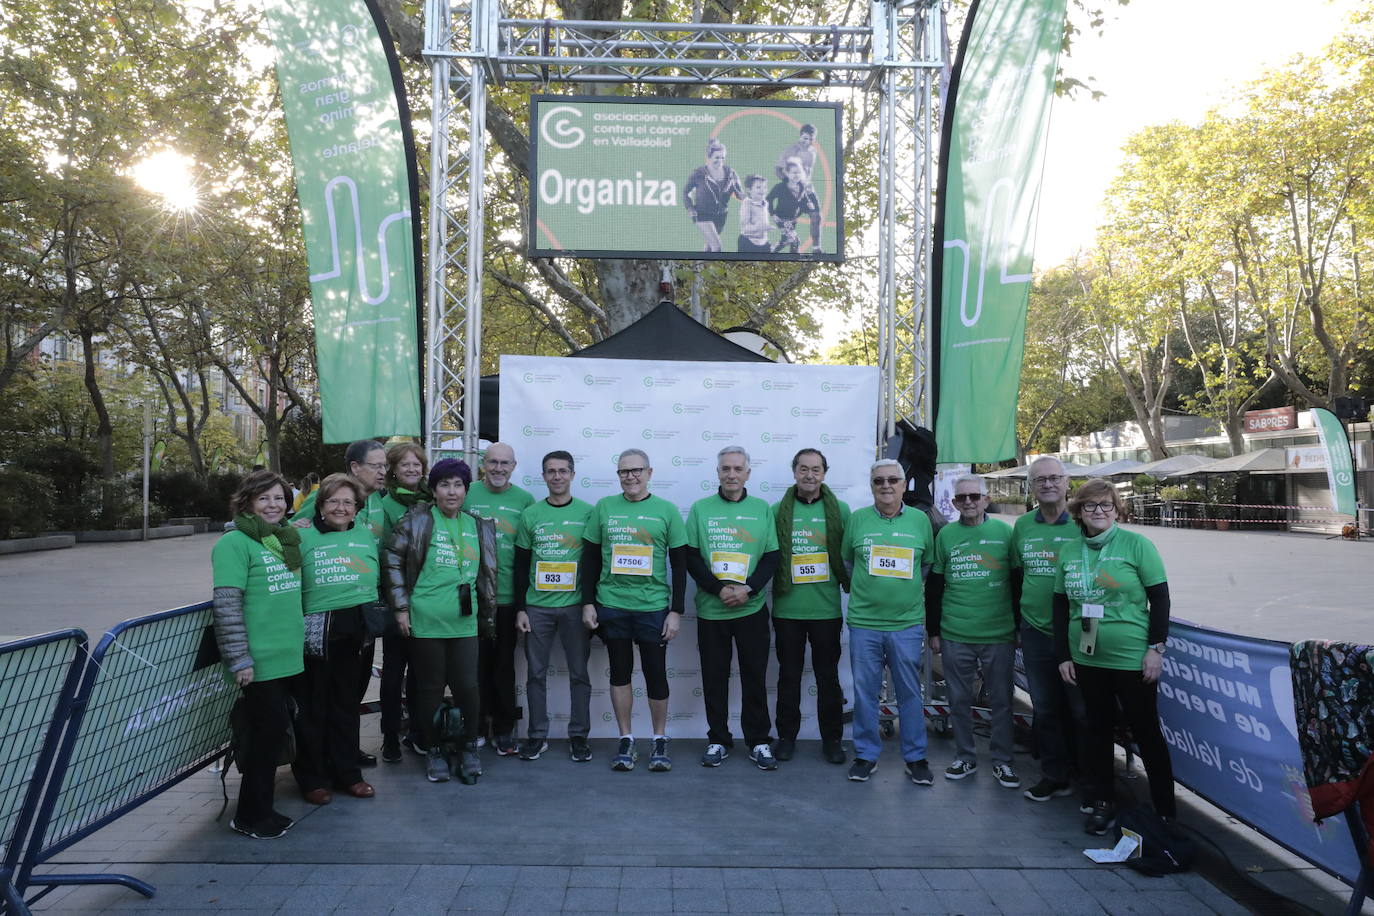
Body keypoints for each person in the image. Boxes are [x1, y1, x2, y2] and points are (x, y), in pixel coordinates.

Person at [1054, 478, 1175, 835]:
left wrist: (1156, 649)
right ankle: (1102, 800)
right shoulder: (1070, 550)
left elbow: (1161, 600)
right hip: (1087, 658)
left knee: (1147, 732)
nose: (1099, 512)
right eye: (1090, 506)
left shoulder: (1137, 544)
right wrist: (1063, 654)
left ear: (1117, 508)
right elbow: (1061, 606)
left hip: (1132, 658)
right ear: (1078, 512)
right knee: (1097, 731)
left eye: (1106, 505)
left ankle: (1165, 812)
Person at [382, 458, 497, 784]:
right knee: (430, 688)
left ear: (466, 490)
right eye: (444, 484)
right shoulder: (417, 520)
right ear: (433, 489)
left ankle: (468, 747)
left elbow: (486, 576)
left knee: (468, 688)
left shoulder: (477, 525)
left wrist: (488, 615)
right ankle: (432, 749)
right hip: (425, 620)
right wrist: (401, 608)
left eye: (458, 484)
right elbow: (392, 560)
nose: (451, 491)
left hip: (465, 621)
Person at [211, 469, 304, 839]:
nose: (273, 505)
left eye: (279, 498)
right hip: (258, 659)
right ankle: (249, 815)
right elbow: (227, 605)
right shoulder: (233, 544)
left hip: (287, 654)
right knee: (264, 737)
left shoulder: (285, 539)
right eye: (264, 498)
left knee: (273, 734)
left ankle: (263, 808)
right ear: (248, 501)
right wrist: (239, 659)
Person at [581, 448, 687, 773]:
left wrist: (676, 611)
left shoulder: (667, 510)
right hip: (612, 605)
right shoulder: (604, 508)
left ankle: (658, 739)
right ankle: (626, 738)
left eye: (637, 470)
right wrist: (588, 602)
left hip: (653, 608)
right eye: (624, 472)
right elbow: (590, 558)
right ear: (619, 476)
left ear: (650, 473)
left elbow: (680, 564)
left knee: (655, 674)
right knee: (619, 672)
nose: (631, 476)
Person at [293, 439, 389, 767]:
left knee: (353, 690)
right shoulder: (329, 499)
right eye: (376, 465)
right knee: (323, 694)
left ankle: (344, 751)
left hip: (361, 612)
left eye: (385, 466)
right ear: (354, 467)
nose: (383, 471)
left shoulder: (376, 501)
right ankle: (319, 763)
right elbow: (298, 531)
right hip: (322, 619)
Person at [841, 459, 935, 785]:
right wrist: (873, 590)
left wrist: (901, 591)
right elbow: (848, 562)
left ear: (904, 484)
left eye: (893, 480)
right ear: (871, 485)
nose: (886, 485)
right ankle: (866, 756)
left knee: (910, 693)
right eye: (879, 480)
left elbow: (927, 565)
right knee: (865, 693)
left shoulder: (921, 521)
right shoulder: (857, 520)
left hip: (906, 624)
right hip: (864, 623)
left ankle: (916, 757)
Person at [686, 446, 780, 770]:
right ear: (717, 472)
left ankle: (758, 741)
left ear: (748, 473)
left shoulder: (761, 509)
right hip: (712, 611)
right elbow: (692, 557)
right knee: (715, 678)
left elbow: (771, 557)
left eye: (738, 468)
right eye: (726, 468)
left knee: (755, 677)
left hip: (751, 609)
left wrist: (748, 589)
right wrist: (718, 588)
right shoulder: (700, 509)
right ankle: (718, 739)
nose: (731, 474)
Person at [926, 476, 1020, 789]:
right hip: (955, 632)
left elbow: (1018, 583)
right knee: (958, 699)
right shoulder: (946, 535)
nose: (968, 502)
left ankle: (1003, 761)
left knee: (1003, 701)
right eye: (961, 498)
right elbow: (936, 585)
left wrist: (1017, 627)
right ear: (953, 503)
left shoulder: (1005, 533)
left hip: (999, 633)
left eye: (974, 496)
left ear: (986, 498)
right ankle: (964, 756)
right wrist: (934, 631)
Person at [1012, 456, 1088, 804]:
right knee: (1045, 707)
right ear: (1031, 487)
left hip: (1081, 633)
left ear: (1067, 482)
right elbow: (1016, 577)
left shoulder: (1085, 522)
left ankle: (1090, 780)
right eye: (1040, 480)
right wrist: (1017, 624)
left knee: (1082, 709)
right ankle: (1054, 775)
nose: (1047, 484)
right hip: (1036, 630)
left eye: (1054, 478)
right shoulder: (1023, 526)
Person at [512, 451, 594, 762]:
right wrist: (520, 607)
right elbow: (521, 566)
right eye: (550, 471)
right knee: (535, 674)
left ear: (572, 475)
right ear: (543, 476)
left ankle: (579, 736)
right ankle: (537, 736)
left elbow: (594, 561)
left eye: (562, 471)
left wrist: (589, 603)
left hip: (575, 607)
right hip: (537, 608)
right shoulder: (531, 515)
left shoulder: (588, 513)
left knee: (579, 674)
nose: (557, 476)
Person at [770, 448, 850, 765]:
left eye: (816, 469)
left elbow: (849, 554)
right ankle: (786, 738)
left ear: (824, 473)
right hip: (787, 610)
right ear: (794, 472)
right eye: (803, 469)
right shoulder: (778, 510)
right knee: (788, 677)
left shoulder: (840, 510)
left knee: (827, 678)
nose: (809, 475)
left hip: (826, 610)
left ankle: (832, 740)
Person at [462, 442, 534, 757]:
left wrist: (523, 605)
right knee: (473, 667)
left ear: (514, 466)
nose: (499, 469)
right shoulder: (466, 494)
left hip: (506, 599)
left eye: (505, 463)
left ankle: (504, 731)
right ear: (483, 464)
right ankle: (475, 726)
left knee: (504, 668)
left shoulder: (525, 500)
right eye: (493, 462)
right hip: (471, 598)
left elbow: (528, 557)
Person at [377, 442, 430, 763]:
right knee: (394, 673)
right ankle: (389, 737)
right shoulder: (386, 506)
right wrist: (397, 604)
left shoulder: (433, 500)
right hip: (398, 601)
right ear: (393, 470)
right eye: (405, 465)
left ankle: (416, 733)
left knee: (422, 674)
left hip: (428, 601)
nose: (412, 470)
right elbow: (387, 558)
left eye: (417, 465)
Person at [684, 138, 743, 253]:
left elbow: (740, 195)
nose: (720, 160)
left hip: (721, 216)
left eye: (722, 158)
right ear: (709, 157)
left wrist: (752, 198)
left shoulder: (731, 173)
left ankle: (700, 268)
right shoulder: (699, 173)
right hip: (702, 213)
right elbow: (685, 192)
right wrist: (690, 208)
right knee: (717, 247)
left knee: (710, 247)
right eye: (717, 157)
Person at [766, 157, 821, 254]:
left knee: (788, 241)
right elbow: (768, 200)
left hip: (792, 219)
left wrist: (809, 206)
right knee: (795, 241)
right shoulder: (780, 187)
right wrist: (772, 214)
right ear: (787, 173)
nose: (797, 175)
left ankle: (772, 251)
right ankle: (769, 251)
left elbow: (802, 204)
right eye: (794, 173)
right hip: (781, 218)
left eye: (799, 172)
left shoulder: (802, 187)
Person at [736, 175, 772, 253]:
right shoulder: (747, 204)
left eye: (765, 187)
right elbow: (745, 228)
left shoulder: (765, 203)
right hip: (748, 242)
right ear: (749, 190)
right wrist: (760, 227)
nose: (762, 190)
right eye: (758, 187)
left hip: (763, 242)